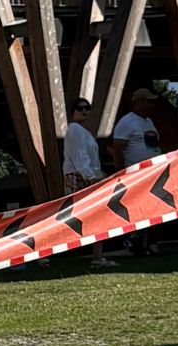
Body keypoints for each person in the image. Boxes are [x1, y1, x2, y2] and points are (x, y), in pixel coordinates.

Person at [113, 89, 165, 256]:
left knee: (152, 208)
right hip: (136, 175)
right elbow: (118, 148)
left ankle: (147, 242)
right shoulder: (127, 122)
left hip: (152, 173)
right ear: (139, 101)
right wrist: (121, 172)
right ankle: (135, 240)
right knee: (139, 208)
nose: (152, 105)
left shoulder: (149, 121)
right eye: (149, 101)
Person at [62, 102, 107, 264]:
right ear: (72, 112)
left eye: (87, 108)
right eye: (80, 108)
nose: (84, 111)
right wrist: (90, 177)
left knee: (94, 216)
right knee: (81, 217)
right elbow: (79, 155)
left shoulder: (85, 132)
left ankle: (98, 255)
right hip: (81, 177)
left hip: (87, 175)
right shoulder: (74, 129)